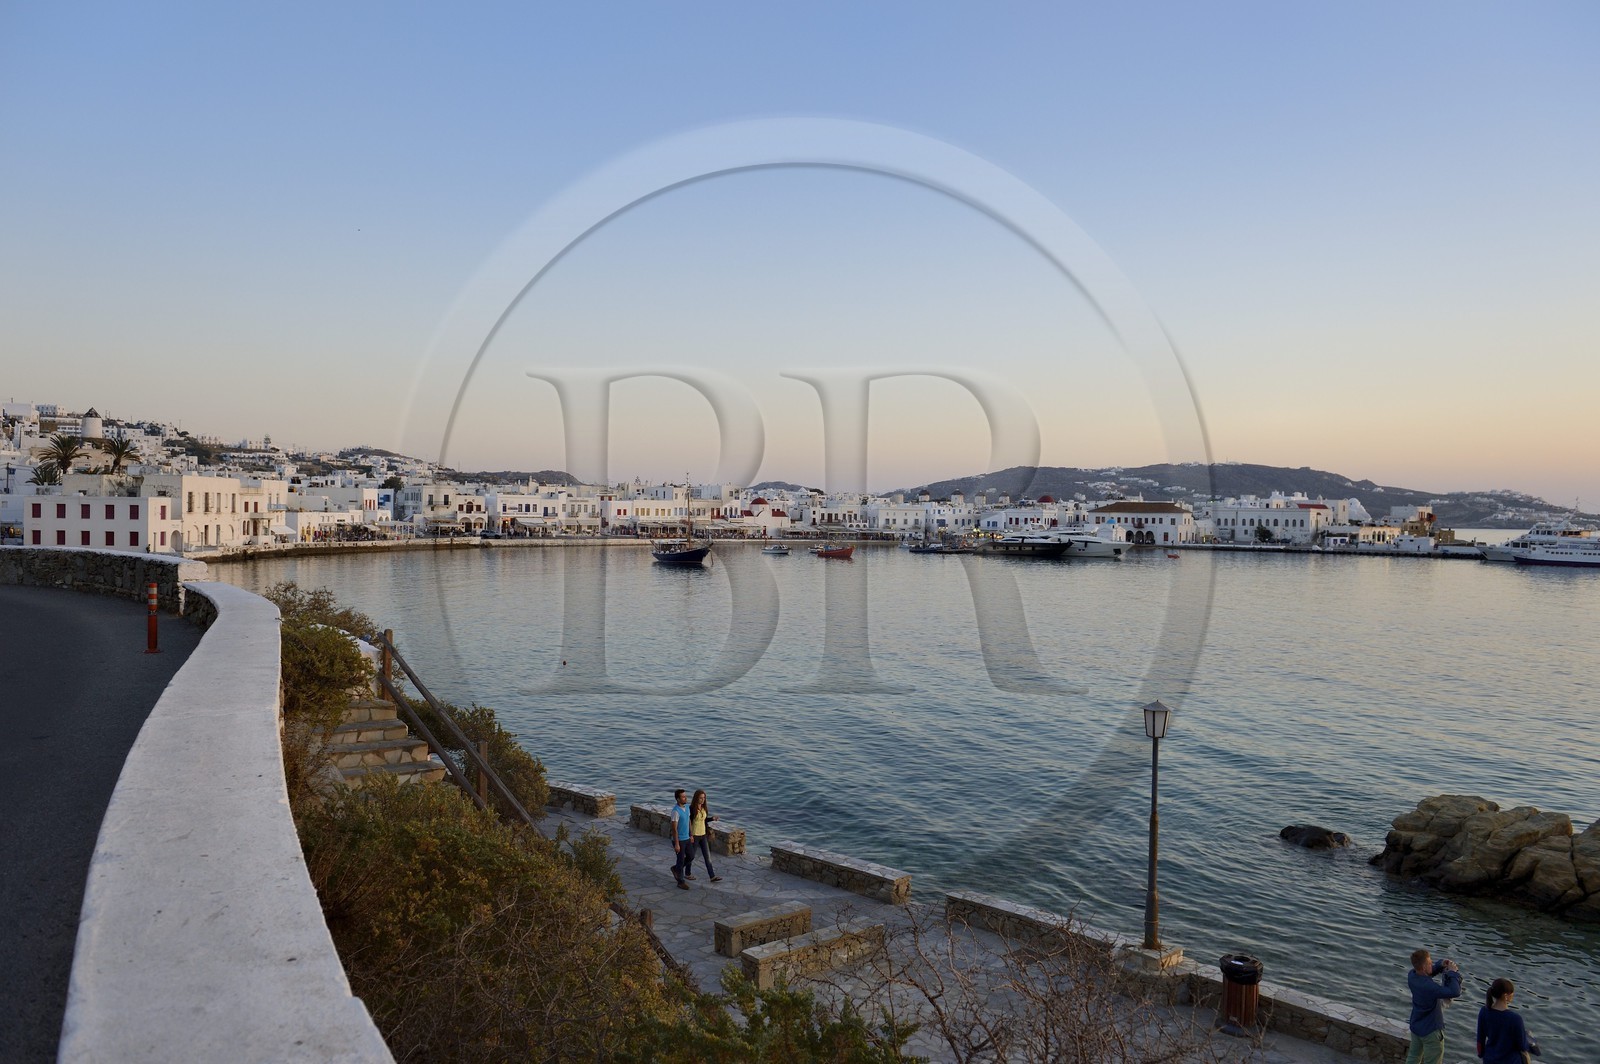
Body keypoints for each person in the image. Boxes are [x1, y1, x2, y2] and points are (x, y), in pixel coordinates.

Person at [1405, 948, 1462, 1064]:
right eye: (1430, 962)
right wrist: (1453, 973)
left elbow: (1428, 972)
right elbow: (1455, 991)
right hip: (1431, 1031)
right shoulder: (1429, 987)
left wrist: (1441, 964)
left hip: (1416, 1026)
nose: (1432, 963)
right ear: (1424, 967)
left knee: (1413, 1057)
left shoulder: (1412, 975)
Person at [1477, 978, 1539, 1063]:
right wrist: (1531, 1040)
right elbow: (1522, 1046)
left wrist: (1482, 1055)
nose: (1513, 995)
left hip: (1489, 1059)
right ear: (1506, 996)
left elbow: (1480, 1041)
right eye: (1512, 993)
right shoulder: (1515, 1019)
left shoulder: (1484, 1011)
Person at [688, 789, 723, 883]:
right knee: (691, 856)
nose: (702, 800)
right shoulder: (691, 809)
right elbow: (689, 823)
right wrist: (690, 835)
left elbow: (704, 820)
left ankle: (712, 876)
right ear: (696, 798)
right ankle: (687, 873)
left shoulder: (704, 808)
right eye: (700, 798)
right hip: (694, 835)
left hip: (703, 835)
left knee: (707, 856)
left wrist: (712, 819)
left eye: (704, 798)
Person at [669, 789, 693, 889]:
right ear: (678, 799)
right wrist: (677, 844)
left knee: (691, 856)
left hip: (687, 838)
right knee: (680, 860)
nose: (685, 798)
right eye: (683, 797)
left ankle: (676, 869)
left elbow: (689, 822)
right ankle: (680, 882)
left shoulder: (687, 807)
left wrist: (691, 835)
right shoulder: (675, 811)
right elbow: (674, 829)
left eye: (685, 796)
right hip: (679, 840)